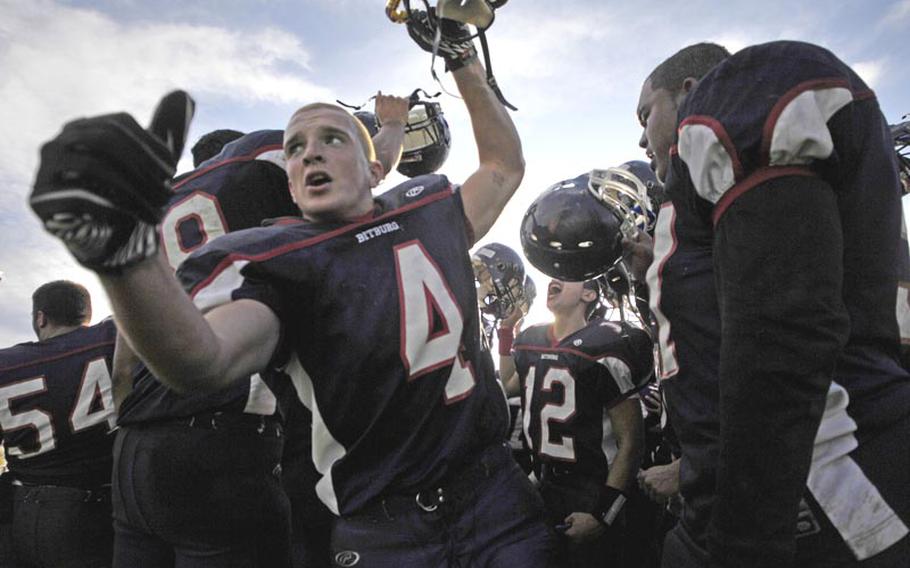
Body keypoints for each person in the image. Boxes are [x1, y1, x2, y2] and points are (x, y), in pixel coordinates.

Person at [30, 14, 553, 568]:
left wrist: (462, 58)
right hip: (384, 523)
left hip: (493, 492)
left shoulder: (428, 211)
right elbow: (201, 362)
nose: (311, 152)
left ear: (374, 166)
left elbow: (502, 166)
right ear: (288, 180)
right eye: (297, 146)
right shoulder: (280, 260)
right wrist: (126, 261)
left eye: (331, 138)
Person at [631, 41, 910, 566]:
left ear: (689, 92)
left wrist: (745, 538)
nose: (641, 135)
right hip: (796, 471)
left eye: (646, 114)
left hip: (819, 480)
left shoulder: (733, 93)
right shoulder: (707, 190)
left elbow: (782, 332)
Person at [108, 92, 411, 567]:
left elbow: (125, 358)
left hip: (137, 445)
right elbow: (366, 170)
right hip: (225, 430)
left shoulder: (155, 207)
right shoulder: (263, 160)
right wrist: (391, 125)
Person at [500, 278, 653, 567]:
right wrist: (507, 330)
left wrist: (602, 515)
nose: (554, 281)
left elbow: (632, 443)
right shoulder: (532, 339)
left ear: (589, 293)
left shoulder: (604, 346)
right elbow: (508, 384)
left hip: (590, 489)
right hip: (544, 484)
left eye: (569, 277)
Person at [0, 281, 117, 567]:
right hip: (104, 508)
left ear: (41, 317)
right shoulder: (112, 337)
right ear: (86, 315)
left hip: (25, 508)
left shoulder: (5, 363)